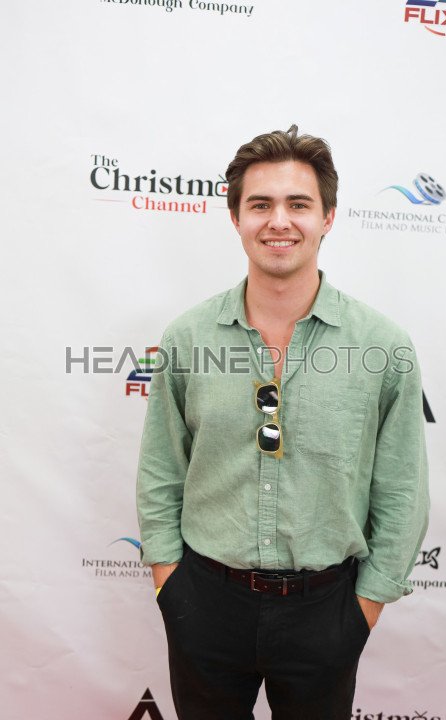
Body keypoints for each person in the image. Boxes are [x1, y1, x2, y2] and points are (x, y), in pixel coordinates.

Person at [136, 125, 429, 720]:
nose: (279, 221)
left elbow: (401, 488)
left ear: (328, 217)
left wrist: (366, 606)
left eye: (298, 204)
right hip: (203, 604)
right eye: (260, 204)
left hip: (328, 610)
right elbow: (161, 469)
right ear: (235, 217)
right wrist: (170, 583)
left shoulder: (384, 346)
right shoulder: (187, 337)